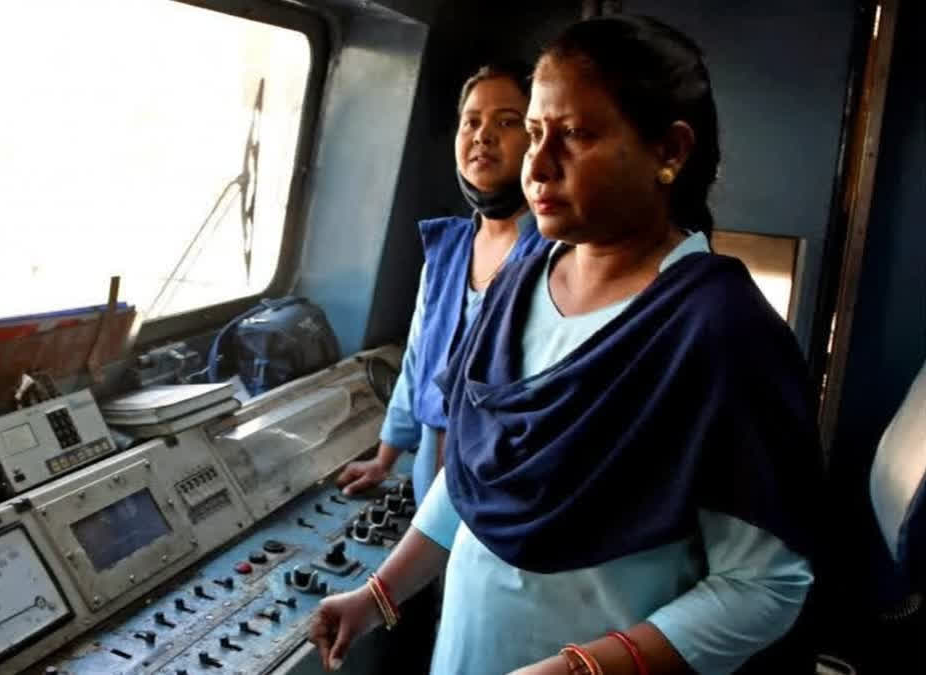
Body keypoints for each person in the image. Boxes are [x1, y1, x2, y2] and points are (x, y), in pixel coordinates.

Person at [311, 15, 820, 675]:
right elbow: (471, 476)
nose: (538, 164)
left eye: (576, 135)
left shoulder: (722, 333)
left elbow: (765, 586)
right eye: (536, 133)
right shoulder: (520, 278)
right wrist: (380, 592)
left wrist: (581, 669)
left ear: (669, 151)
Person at [336, 60, 548, 507]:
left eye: (506, 122)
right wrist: (385, 458)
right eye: (470, 122)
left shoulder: (554, 255)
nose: (482, 135)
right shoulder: (447, 249)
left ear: (537, 138)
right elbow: (417, 361)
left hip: (501, 487)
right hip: (428, 479)